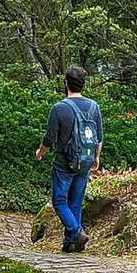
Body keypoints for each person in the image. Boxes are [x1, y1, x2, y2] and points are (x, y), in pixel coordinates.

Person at [35, 65, 102, 253]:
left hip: (64, 162)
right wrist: (96, 158)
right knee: (75, 202)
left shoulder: (59, 108)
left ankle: (76, 232)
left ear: (66, 84)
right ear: (83, 85)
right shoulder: (94, 107)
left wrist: (41, 152)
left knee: (59, 201)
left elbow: (49, 138)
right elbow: (98, 135)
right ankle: (70, 243)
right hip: (85, 160)